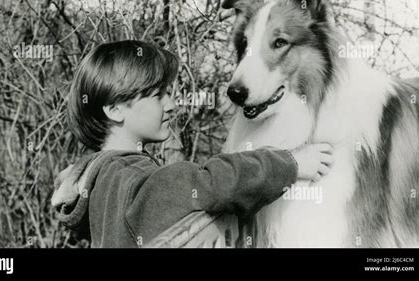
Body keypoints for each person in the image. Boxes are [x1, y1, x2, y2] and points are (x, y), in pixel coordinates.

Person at [51, 40, 334, 248]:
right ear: (115, 109)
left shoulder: (101, 181)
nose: (171, 105)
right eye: (158, 95)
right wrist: (292, 163)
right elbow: (212, 183)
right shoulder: (126, 176)